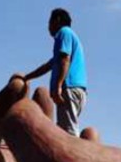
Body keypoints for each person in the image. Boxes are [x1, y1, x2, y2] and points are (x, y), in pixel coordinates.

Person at [19, 8, 87, 136]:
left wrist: (58, 85)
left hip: (68, 88)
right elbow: (49, 65)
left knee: (68, 134)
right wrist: (28, 77)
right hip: (77, 89)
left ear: (57, 20)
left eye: (49, 23)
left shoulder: (64, 32)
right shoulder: (70, 37)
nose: (48, 27)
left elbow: (65, 59)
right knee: (65, 129)